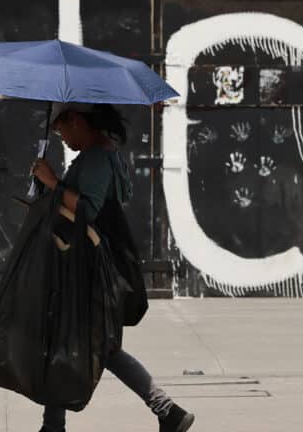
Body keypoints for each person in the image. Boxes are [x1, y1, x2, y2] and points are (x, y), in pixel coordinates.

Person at [30, 103, 196, 432]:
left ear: (75, 120)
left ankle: (167, 411)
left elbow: (88, 209)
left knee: (86, 343)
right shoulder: (109, 153)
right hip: (101, 263)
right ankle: (55, 426)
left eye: (62, 130)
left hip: (92, 269)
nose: (62, 137)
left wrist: (52, 183)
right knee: (76, 341)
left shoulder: (95, 158)